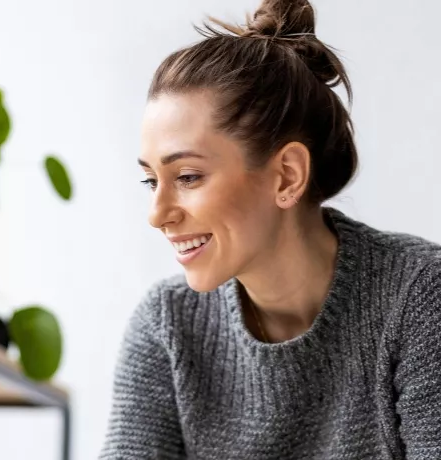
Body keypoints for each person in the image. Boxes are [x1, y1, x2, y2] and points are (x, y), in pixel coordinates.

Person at [99, 0, 441, 458]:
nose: (157, 214)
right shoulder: (167, 326)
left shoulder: (419, 298)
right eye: (150, 180)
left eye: (187, 177)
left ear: (287, 176)